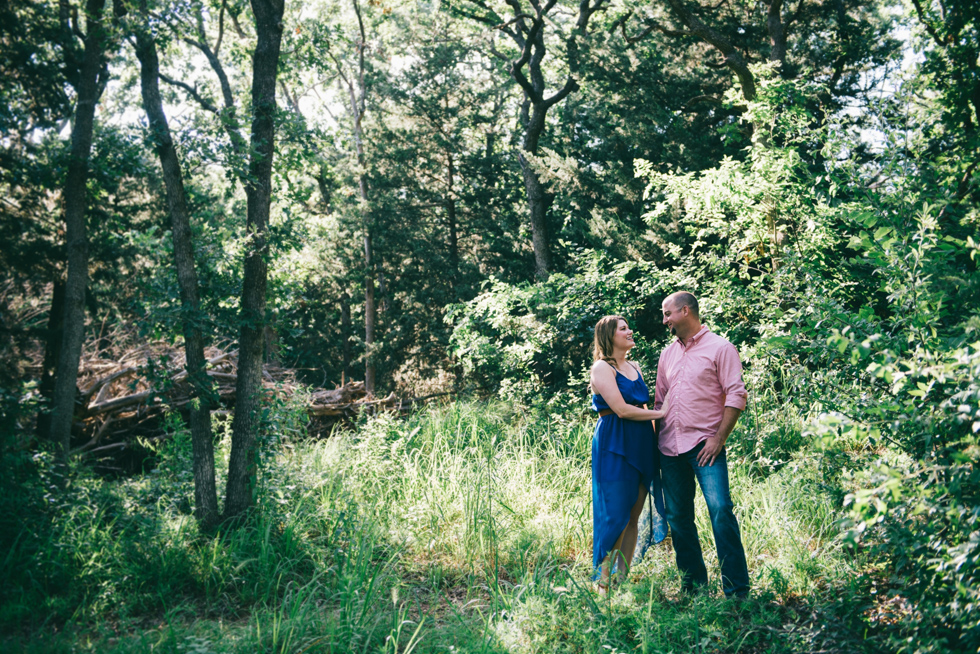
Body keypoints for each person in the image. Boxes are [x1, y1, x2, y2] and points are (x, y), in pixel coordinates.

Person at [653, 292, 750, 598]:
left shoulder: (721, 347)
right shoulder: (667, 354)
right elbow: (659, 402)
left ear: (685, 311)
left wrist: (719, 438)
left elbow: (736, 395)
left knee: (721, 510)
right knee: (678, 519)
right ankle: (694, 588)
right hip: (669, 449)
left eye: (668, 314)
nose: (665, 320)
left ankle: (737, 593)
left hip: (706, 447)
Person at [590, 315, 670, 592]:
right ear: (609, 335)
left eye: (628, 327)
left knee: (633, 514)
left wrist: (656, 435)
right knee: (616, 514)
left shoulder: (634, 366)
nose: (630, 331)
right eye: (623, 329)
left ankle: (621, 581)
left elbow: (642, 405)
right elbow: (622, 409)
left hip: (641, 442)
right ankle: (602, 583)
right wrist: (661, 412)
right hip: (614, 443)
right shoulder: (602, 368)